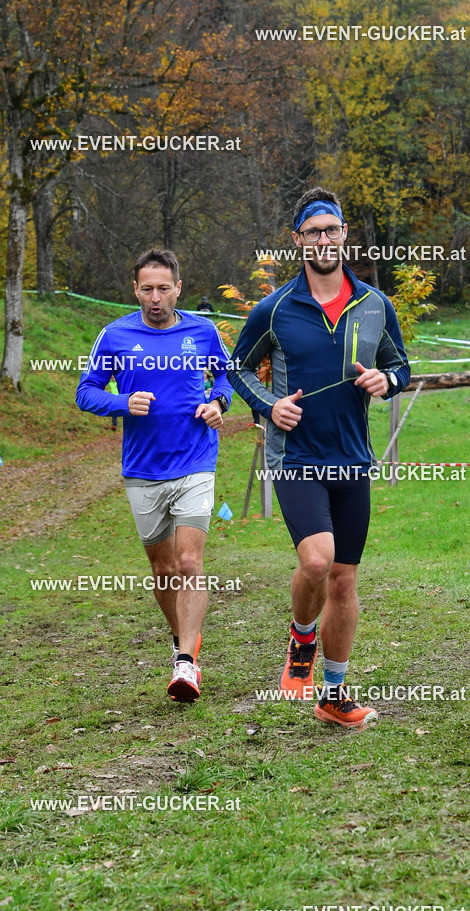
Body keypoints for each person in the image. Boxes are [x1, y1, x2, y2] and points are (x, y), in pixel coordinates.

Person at [228, 186, 410, 730]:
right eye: (313, 233)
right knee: (316, 560)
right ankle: (301, 638)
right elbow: (236, 368)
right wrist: (269, 406)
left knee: (345, 581)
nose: (324, 240)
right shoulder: (276, 307)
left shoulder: (376, 304)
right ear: (297, 241)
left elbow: (401, 366)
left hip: (352, 459)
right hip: (296, 456)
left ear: (344, 234)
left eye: (331, 230)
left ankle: (333, 694)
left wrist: (387, 380)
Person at [76, 249, 233, 702]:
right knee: (163, 569)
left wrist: (218, 403)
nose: (156, 297)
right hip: (142, 469)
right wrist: (122, 403)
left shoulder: (201, 331)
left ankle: (186, 663)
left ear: (178, 288)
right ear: (135, 290)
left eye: (164, 288)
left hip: (195, 460)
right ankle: (184, 638)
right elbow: (85, 393)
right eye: (147, 288)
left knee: (188, 563)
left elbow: (226, 376)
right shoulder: (116, 335)